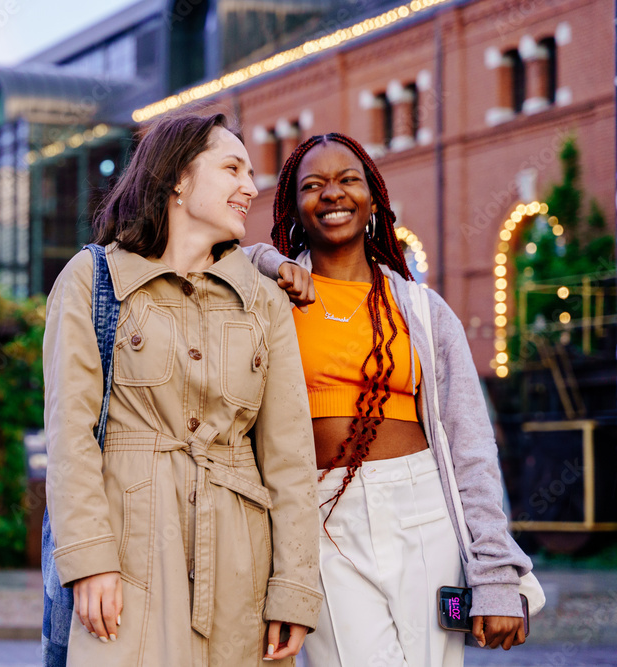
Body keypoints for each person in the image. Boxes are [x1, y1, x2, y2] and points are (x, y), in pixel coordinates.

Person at [42, 112, 322, 666]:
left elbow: (290, 457)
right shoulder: (93, 281)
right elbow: (70, 434)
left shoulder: (264, 300)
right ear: (178, 178)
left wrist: (293, 588)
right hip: (128, 554)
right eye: (232, 168)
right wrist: (91, 559)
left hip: (242, 562)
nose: (250, 186)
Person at [244, 132, 534, 666]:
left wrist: (494, 574)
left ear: (373, 200)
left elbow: (469, 445)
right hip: (321, 519)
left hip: (422, 507)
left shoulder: (420, 308)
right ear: (291, 206)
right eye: (314, 185)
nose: (332, 194)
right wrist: (263, 260)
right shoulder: (268, 298)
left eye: (348, 180)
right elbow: (208, 267)